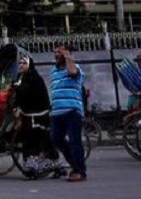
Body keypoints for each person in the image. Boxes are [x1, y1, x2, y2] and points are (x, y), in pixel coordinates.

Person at [11, 55, 63, 178]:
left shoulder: (35, 79)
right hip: (27, 116)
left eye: (24, 63)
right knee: (29, 141)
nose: (21, 65)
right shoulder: (19, 78)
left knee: (44, 141)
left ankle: (55, 166)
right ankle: (31, 168)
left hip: (40, 116)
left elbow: (35, 96)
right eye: (20, 63)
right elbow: (18, 95)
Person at [49, 43, 87, 182]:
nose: (56, 54)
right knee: (56, 139)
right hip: (56, 113)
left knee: (74, 141)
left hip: (72, 111)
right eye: (55, 52)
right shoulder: (53, 71)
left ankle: (80, 171)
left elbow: (72, 73)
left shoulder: (75, 68)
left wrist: (68, 58)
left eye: (59, 52)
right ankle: (74, 166)